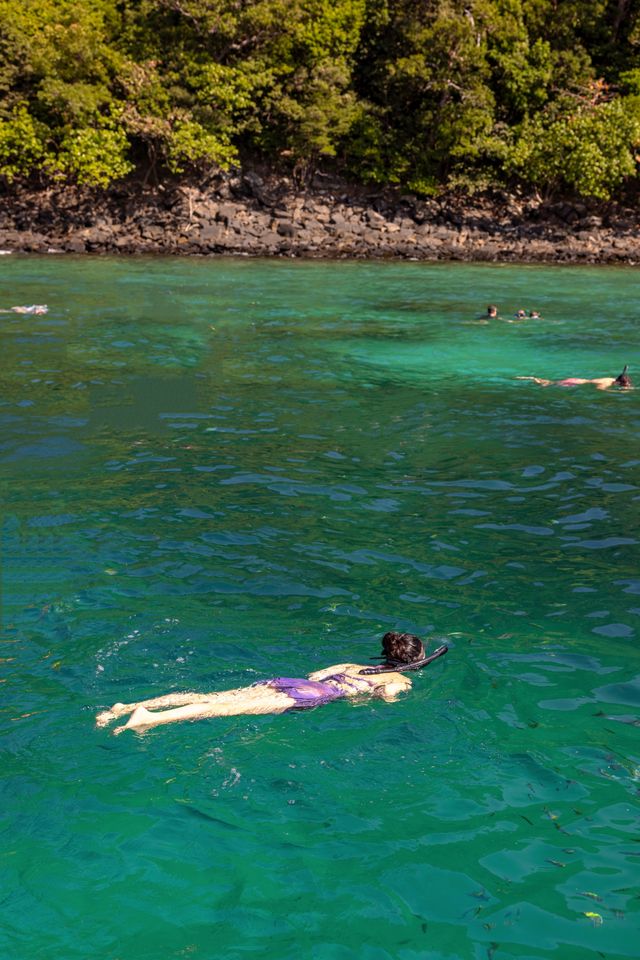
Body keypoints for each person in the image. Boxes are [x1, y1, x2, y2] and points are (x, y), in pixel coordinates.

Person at [96, 632, 449, 734]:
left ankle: (123, 708)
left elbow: (315, 675)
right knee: (217, 712)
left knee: (209, 696)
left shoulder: (353, 664)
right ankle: (148, 719)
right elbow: (387, 698)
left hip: (293, 681)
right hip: (317, 696)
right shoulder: (400, 681)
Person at [517, 364, 632, 391]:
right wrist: (618, 393)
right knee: (546, 385)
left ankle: (533, 378)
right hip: (574, 383)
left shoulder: (611, 379)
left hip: (577, 380)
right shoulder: (606, 384)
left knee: (551, 382)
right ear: (618, 383)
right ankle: (532, 378)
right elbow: (599, 389)